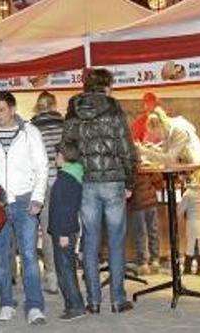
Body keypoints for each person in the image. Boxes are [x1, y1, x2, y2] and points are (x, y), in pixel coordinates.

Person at [63, 68, 136, 314]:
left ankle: (93, 301)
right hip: (114, 181)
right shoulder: (114, 108)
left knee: (90, 243)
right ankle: (117, 299)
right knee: (116, 243)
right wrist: (130, 182)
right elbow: (127, 148)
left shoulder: (74, 108)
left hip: (87, 183)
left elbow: (66, 148)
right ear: (106, 85)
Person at [0, 91, 49, 325]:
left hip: (25, 201)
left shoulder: (30, 132)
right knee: (1, 259)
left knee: (28, 256)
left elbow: (42, 166)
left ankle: (35, 306)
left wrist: (37, 198)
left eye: (1, 109)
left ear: (12, 109)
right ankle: (6, 303)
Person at [29, 91, 64, 295]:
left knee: (48, 230)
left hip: (42, 184)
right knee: (66, 229)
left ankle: (51, 275)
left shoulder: (31, 128)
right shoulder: (64, 125)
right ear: (53, 105)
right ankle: (66, 272)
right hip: (64, 182)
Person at [47, 140, 86, 322]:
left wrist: (62, 233)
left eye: (57, 155)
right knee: (66, 268)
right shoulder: (72, 176)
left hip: (64, 231)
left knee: (65, 270)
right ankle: (72, 304)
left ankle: (76, 306)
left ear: (63, 157)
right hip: (65, 229)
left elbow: (66, 208)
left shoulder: (66, 180)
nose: (55, 158)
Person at [130, 93, 162, 275]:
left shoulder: (132, 168)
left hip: (137, 205)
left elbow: (128, 185)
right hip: (151, 203)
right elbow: (158, 180)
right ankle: (156, 260)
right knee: (153, 232)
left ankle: (143, 263)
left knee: (140, 234)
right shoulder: (148, 165)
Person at [178, 169, 200, 275]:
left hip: (193, 222)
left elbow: (180, 209)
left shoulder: (189, 193)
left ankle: (187, 269)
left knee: (190, 245)